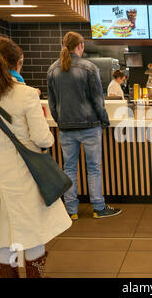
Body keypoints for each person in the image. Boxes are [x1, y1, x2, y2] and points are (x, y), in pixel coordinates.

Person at [0, 36, 72, 278]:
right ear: (16, 64)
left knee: (4, 236)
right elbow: (44, 140)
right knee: (32, 235)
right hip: (26, 178)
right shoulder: (25, 95)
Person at [47, 31, 122, 220]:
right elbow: (98, 100)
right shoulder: (89, 68)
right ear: (80, 46)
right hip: (90, 126)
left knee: (69, 168)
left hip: (66, 128)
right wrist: (104, 120)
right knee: (93, 168)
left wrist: (61, 121)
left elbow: (52, 103)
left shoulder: (53, 69)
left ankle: (71, 211)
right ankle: (98, 207)